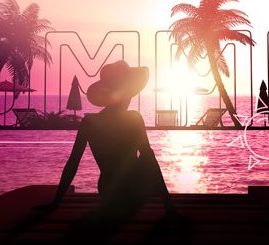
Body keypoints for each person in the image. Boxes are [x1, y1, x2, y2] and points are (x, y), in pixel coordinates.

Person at [38, 60, 177, 219]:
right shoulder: (134, 119)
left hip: (107, 191)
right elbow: (149, 159)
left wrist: (56, 201)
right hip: (134, 192)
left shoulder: (88, 123)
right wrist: (169, 206)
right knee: (147, 156)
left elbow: (73, 162)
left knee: (146, 157)